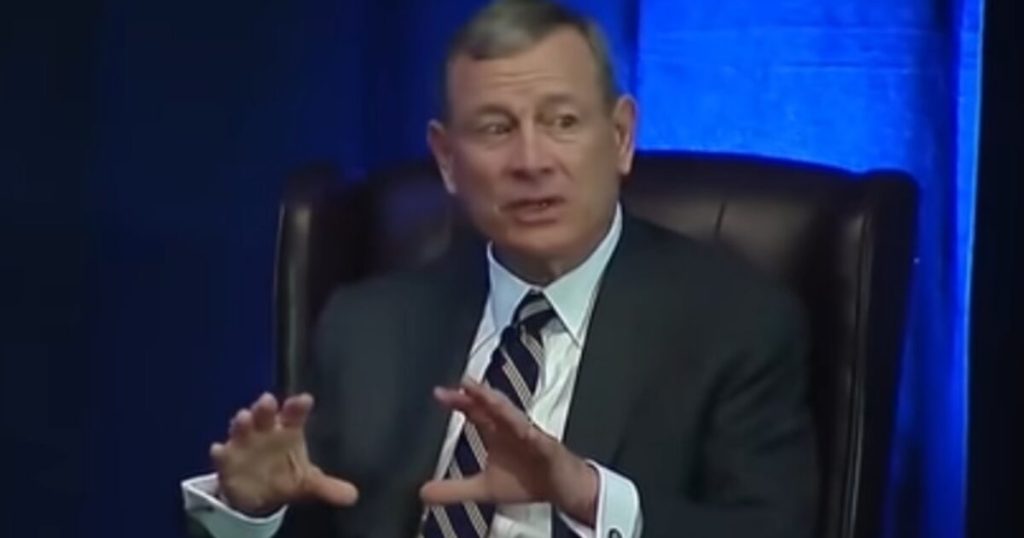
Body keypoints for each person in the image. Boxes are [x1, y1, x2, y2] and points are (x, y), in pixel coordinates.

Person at [181, 0, 818, 536]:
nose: (531, 160)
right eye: (495, 129)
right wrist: (251, 511)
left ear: (621, 137)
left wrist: (588, 496)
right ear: (447, 159)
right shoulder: (367, 327)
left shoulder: (736, 324)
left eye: (562, 122)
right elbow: (315, 509)